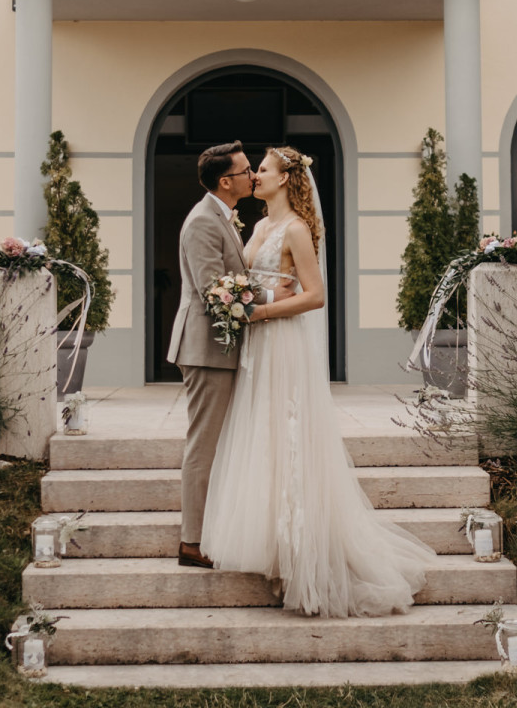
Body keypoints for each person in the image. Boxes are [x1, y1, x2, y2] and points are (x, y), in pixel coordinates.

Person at [200, 146, 438, 617]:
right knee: (265, 440)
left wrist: (259, 312)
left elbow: (315, 297)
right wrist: (243, 299)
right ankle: (274, 549)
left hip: (282, 342)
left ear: (285, 179)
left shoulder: (296, 230)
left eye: (262, 170)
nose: (255, 176)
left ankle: (300, 556)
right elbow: (251, 282)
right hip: (258, 347)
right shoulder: (259, 227)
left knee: (289, 441)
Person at [166, 140, 255, 570]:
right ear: (226, 182)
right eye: (246, 170)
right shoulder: (203, 220)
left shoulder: (222, 216)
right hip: (206, 348)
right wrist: (272, 298)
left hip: (220, 347)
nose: (252, 176)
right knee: (203, 445)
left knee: (215, 444)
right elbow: (214, 290)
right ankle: (192, 541)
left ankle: (209, 530)